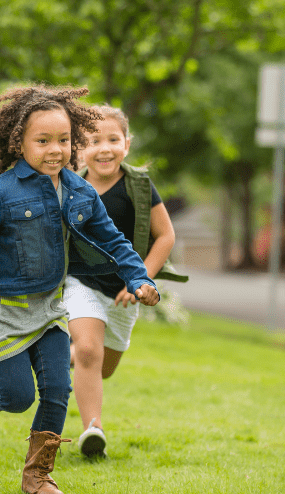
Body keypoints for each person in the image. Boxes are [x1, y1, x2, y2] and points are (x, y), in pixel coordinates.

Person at [0, 85, 160, 494]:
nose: (56, 150)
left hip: (51, 307)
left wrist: (139, 277)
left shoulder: (78, 190)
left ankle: (37, 476)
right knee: (17, 397)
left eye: (64, 140)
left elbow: (114, 240)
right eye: (43, 141)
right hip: (4, 310)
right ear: (19, 143)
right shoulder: (1, 191)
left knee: (57, 388)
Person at [64, 105, 188, 458]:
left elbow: (165, 236)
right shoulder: (69, 185)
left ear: (127, 144)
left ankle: (67, 355)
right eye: (93, 140)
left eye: (113, 139)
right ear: (79, 148)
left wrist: (140, 279)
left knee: (103, 367)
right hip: (80, 282)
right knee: (90, 349)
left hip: (124, 293)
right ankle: (93, 429)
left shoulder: (139, 186)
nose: (104, 148)